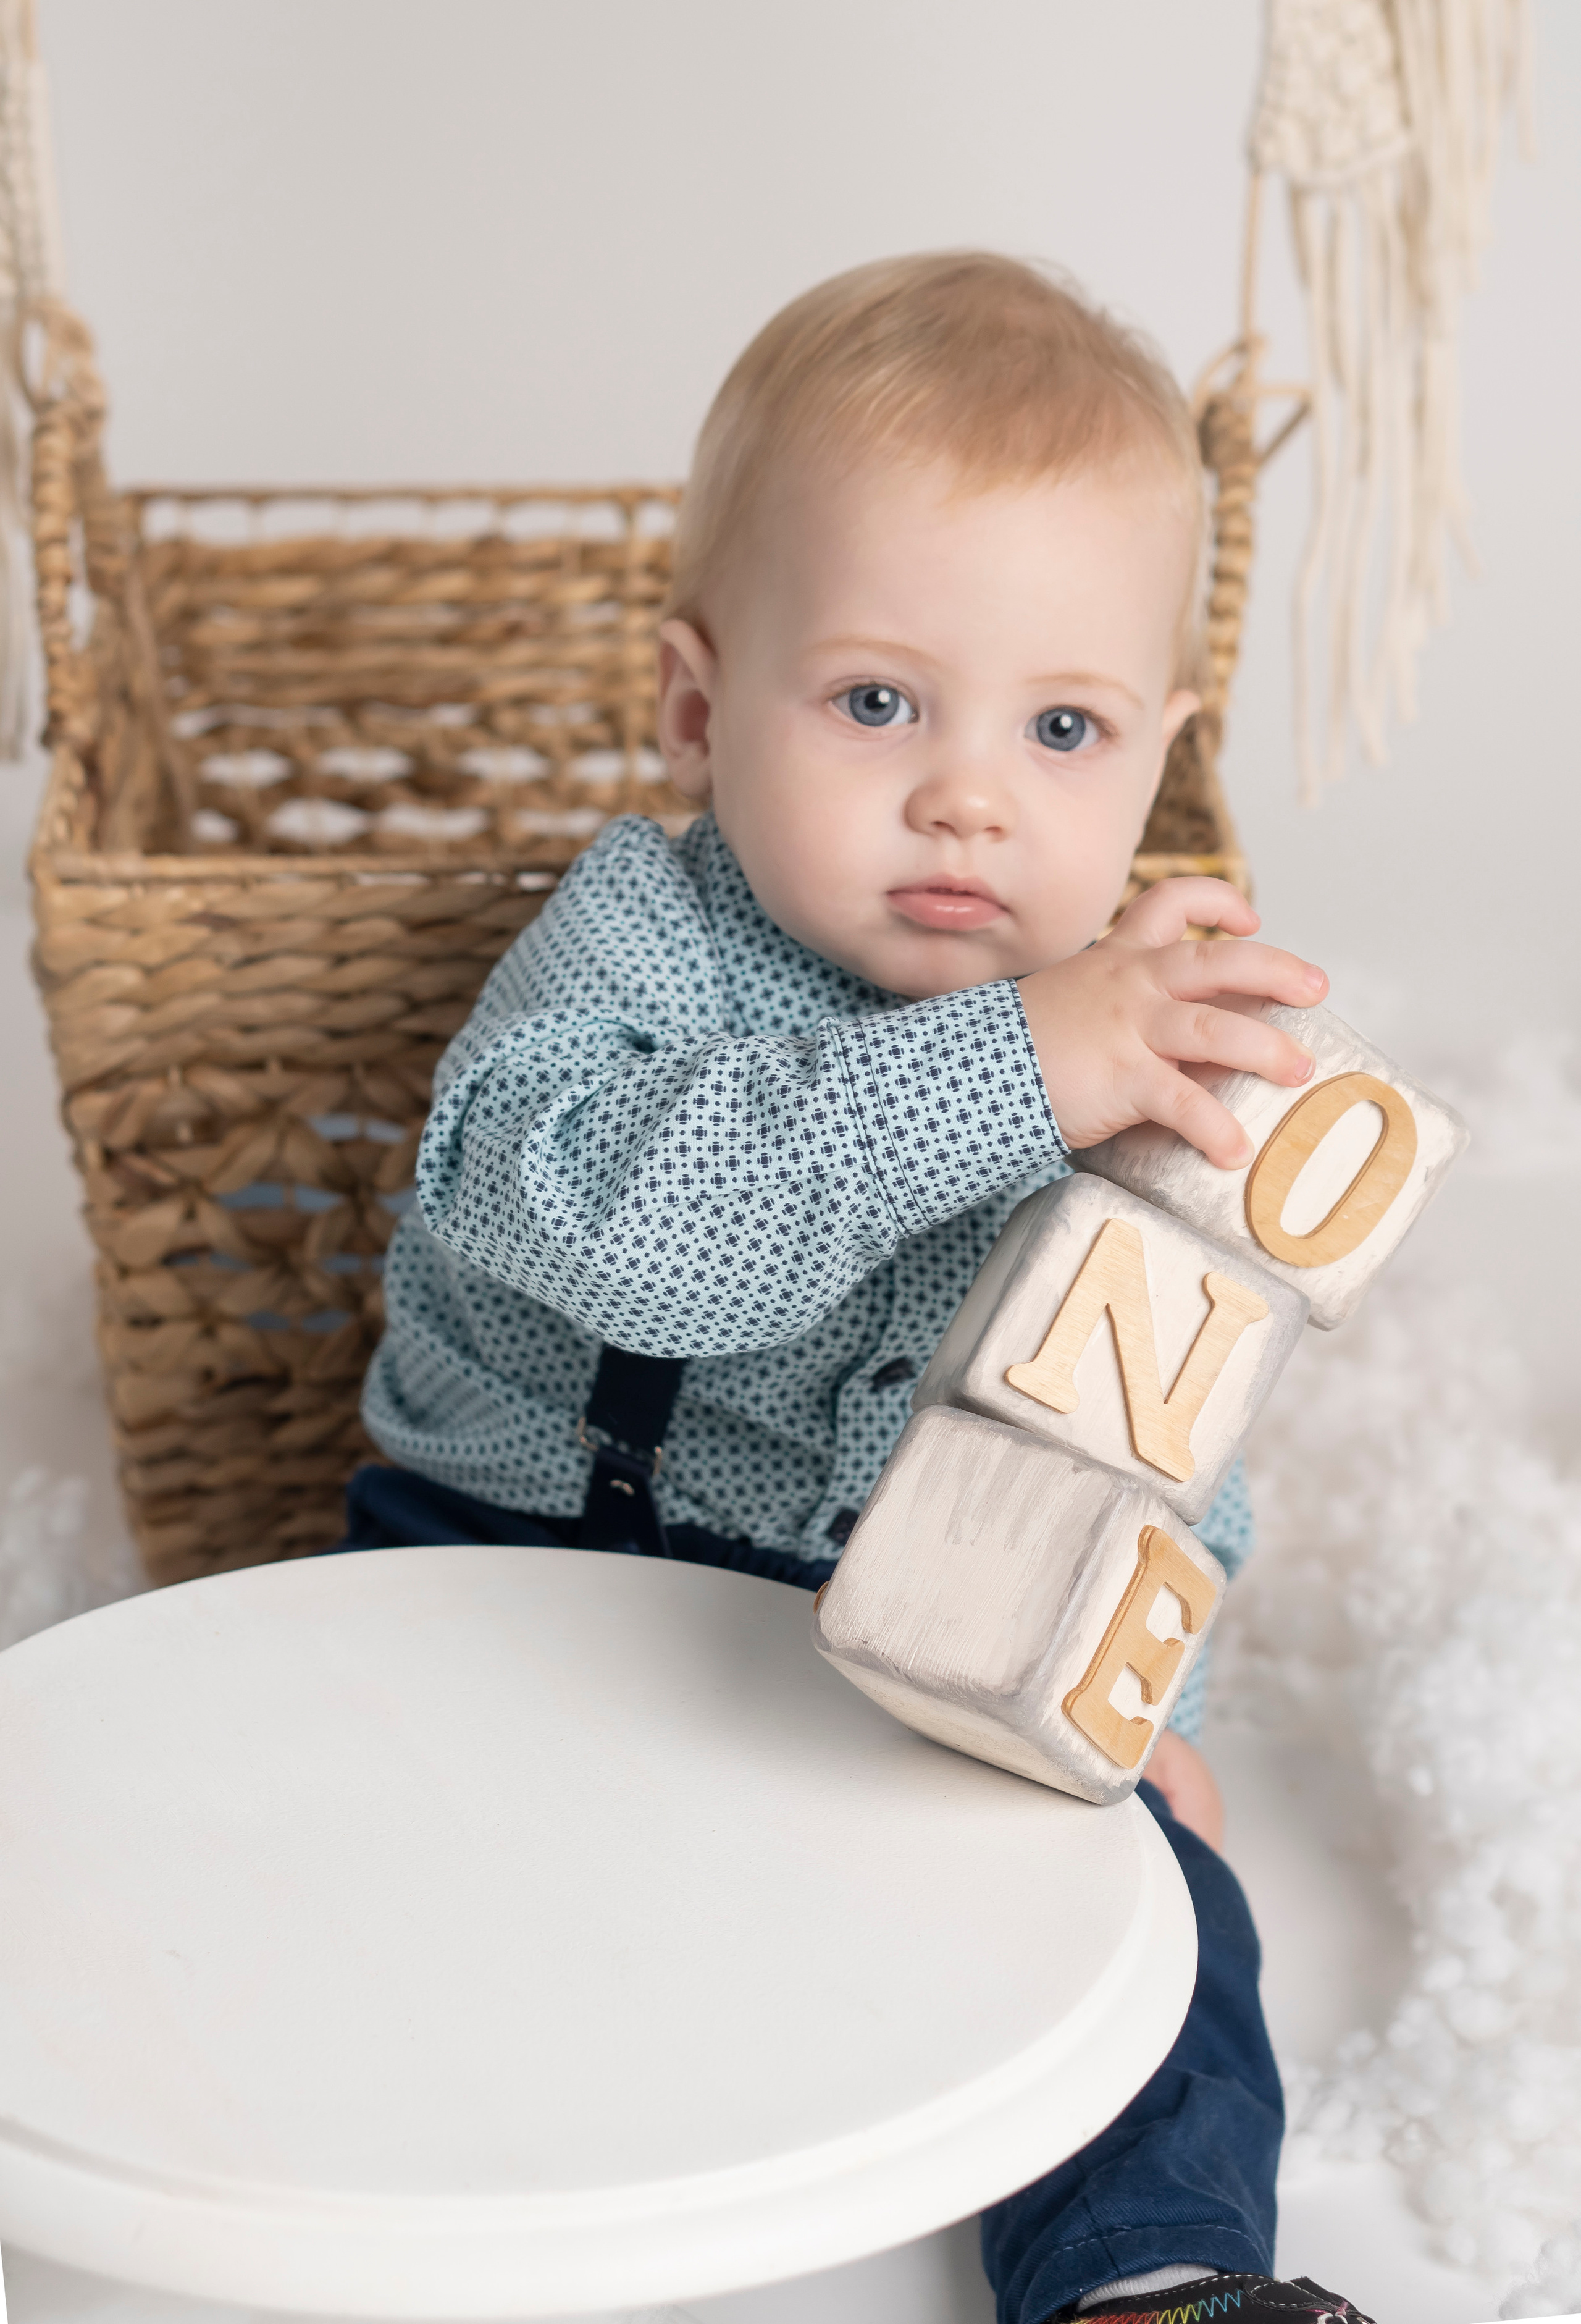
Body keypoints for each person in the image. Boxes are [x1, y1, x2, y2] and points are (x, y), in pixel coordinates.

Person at [343, 253, 1374, 2324]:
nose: (969, 794)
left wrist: (1113, 1682)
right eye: (881, 701)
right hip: (529, 1574)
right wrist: (1019, 1064)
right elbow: (610, 1220)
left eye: (1063, 727)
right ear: (702, 709)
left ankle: (1150, 2279)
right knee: (411, 1885)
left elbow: (1159, 1390)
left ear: (1158, 758)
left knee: (1167, 1927)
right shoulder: (643, 934)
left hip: (895, 1638)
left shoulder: (1126, 1032)